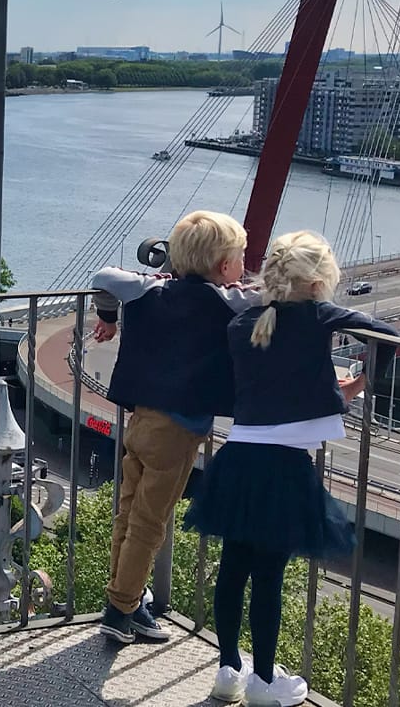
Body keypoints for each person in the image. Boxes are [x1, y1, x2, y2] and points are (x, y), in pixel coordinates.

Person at [185, 231, 396, 707]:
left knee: (234, 569)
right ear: (319, 279)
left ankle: (228, 670)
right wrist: (357, 386)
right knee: (270, 575)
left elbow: (271, 378)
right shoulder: (319, 315)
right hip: (283, 465)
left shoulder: (244, 324)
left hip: (237, 457)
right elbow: (387, 335)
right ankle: (263, 681)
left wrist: (323, 387)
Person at [90, 210, 258, 645]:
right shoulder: (228, 300)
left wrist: (108, 317)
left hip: (139, 419)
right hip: (180, 429)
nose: (244, 267)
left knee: (128, 515)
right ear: (224, 267)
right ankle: (121, 607)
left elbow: (103, 276)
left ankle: (126, 599)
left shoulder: (150, 288)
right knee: (150, 523)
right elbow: (279, 298)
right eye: (240, 258)